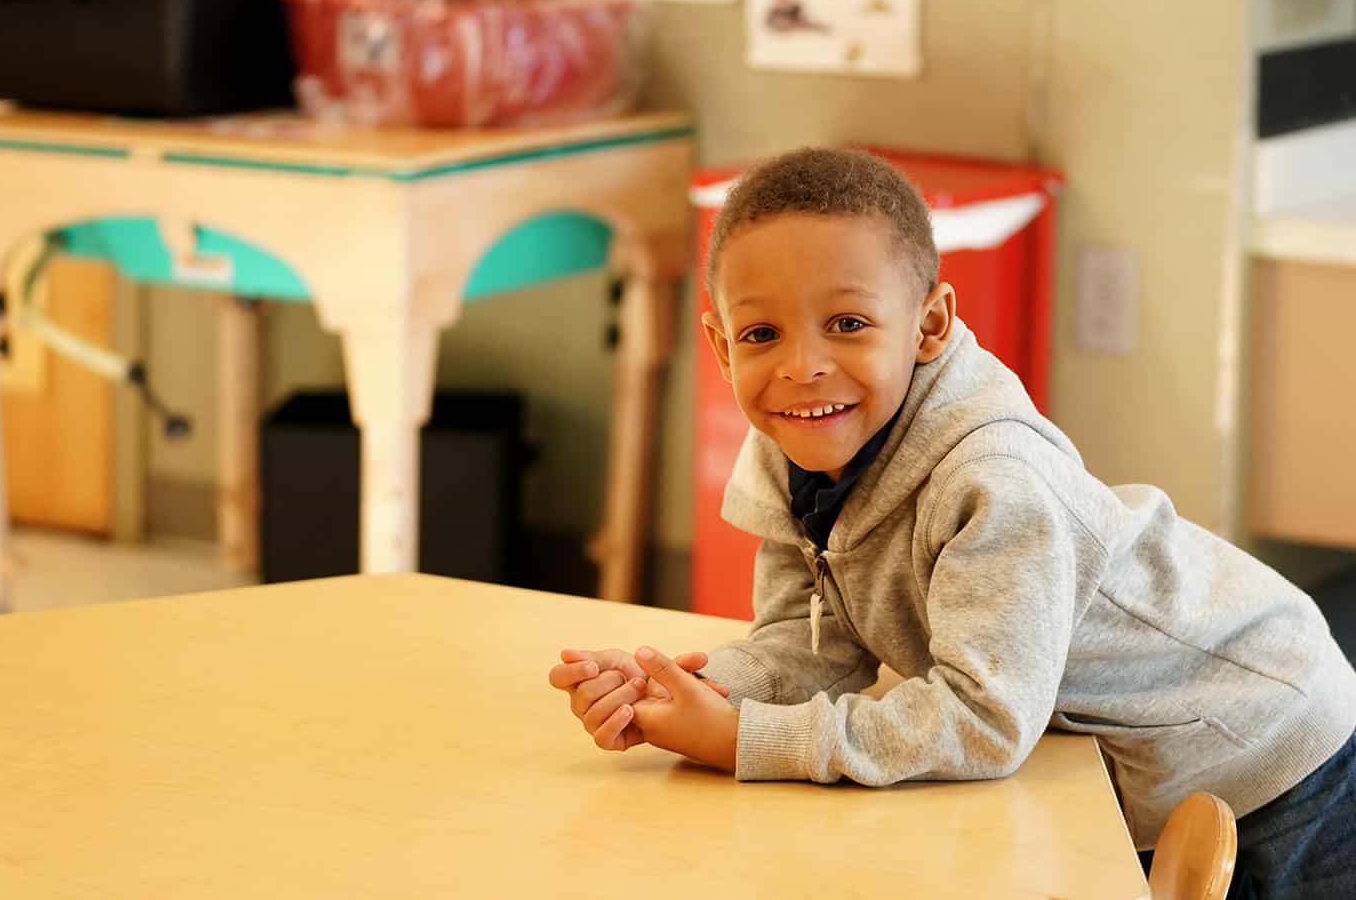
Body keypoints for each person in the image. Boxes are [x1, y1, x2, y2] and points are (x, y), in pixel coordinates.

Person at [549, 147, 1356, 899]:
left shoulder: (997, 484)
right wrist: (704, 691)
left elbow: (981, 720)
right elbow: (815, 638)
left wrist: (743, 739)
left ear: (930, 325)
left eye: (849, 323)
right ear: (722, 348)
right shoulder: (792, 447)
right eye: (763, 335)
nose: (803, 367)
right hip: (1105, 756)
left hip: (1263, 742)